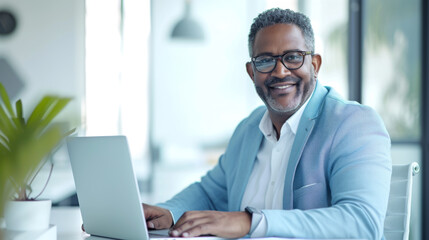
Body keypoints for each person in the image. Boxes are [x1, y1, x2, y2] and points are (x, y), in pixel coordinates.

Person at [143, 8, 391, 239]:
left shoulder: (352, 123)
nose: (280, 72)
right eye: (264, 61)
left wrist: (251, 222)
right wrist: (169, 212)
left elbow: (363, 222)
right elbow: (208, 193)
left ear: (314, 65)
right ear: (252, 72)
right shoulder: (248, 129)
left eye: (293, 57)